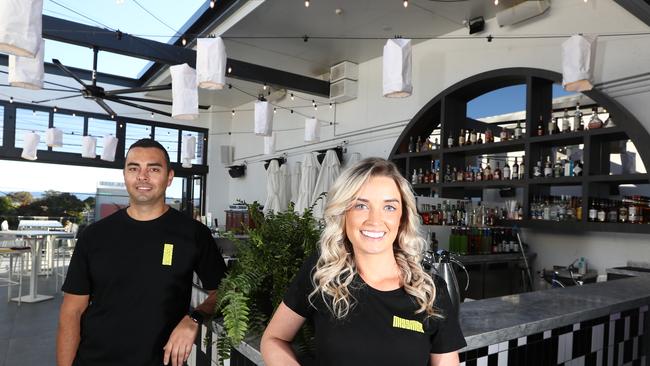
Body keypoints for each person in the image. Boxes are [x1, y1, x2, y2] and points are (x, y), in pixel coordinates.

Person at [261, 157, 466, 366]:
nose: (375, 220)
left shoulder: (430, 290)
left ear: (402, 218)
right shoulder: (323, 272)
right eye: (360, 205)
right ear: (343, 214)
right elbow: (273, 340)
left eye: (389, 207)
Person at [57, 139, 227, 366]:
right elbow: (72, 313)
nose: (142, 176)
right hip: (94, 359)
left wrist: (194, 318)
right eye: (134, 168)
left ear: (169, 177)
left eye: (153, 169)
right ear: (125, 175)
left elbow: (226, 291)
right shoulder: (94, 235)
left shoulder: (193, 234)